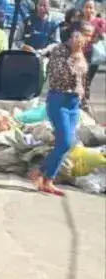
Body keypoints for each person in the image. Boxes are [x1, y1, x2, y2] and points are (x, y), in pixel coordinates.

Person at [32, 24, 94, 196]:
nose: (87, 39)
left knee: (67, 143)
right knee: (65, 141)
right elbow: (59, 76)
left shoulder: (83, 53)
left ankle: (47, 179)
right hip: (59, 100)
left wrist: (85, 100)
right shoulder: (59, 51)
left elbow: (83, 80)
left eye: (90, 36)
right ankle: (39, 172)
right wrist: (73, 55)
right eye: (84, 34)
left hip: (74, 102)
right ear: (75, 34)